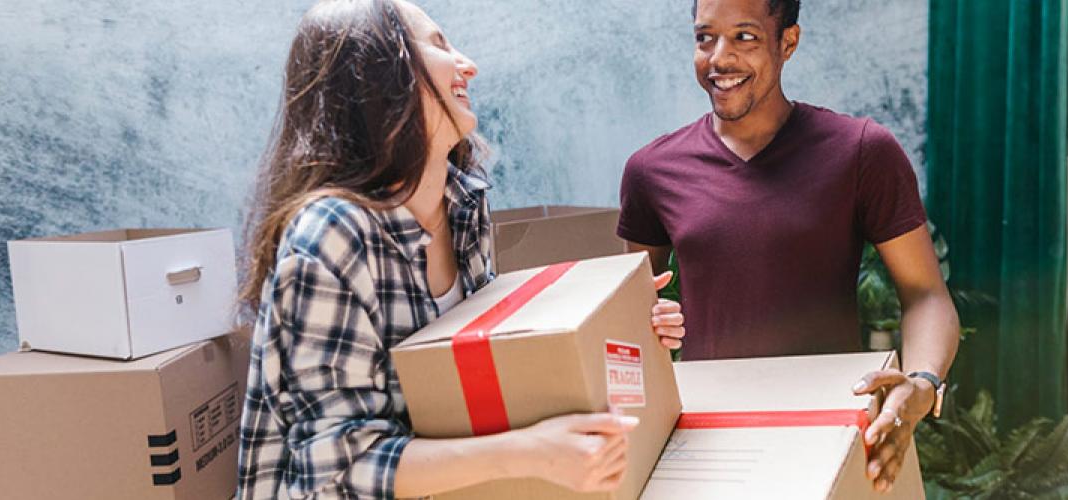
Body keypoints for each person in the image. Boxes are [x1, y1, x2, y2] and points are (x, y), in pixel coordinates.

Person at [235, 1, 686, 498]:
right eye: (439, 44)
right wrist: (529, 452)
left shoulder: (463, 203)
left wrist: (623, 336)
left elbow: (483, 368)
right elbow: (337, 471)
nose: (468, 64)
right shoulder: (332, 236)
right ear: (377, 73)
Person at [617, 0, 960, 492]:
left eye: (745, 37)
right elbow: (634, 319)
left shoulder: (862, 151)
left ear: (788, 43)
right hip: (709, 446)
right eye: (704, 37)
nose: (719, 58)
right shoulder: (651, 171)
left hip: (830, 436)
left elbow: (926, 295)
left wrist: (923, 384)